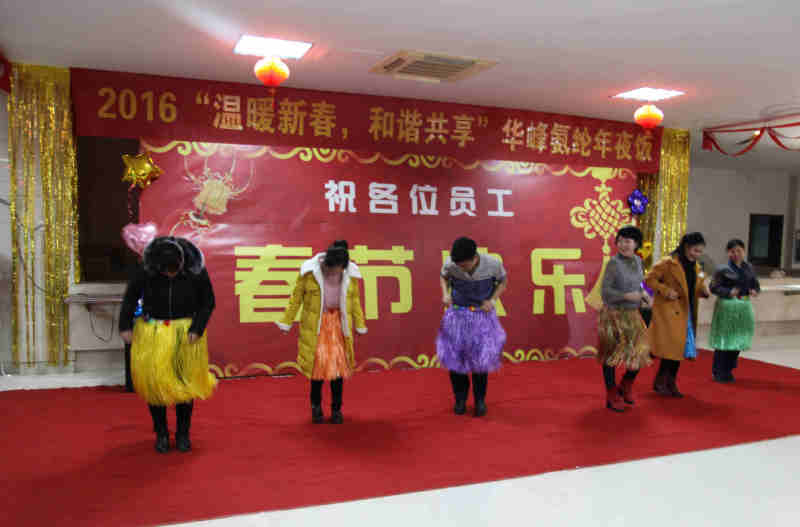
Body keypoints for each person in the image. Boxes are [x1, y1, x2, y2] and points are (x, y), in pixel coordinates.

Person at [119, 236, 217, 453]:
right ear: (157, 267)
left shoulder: (196, 269)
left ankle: (183, 433)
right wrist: (124, 326)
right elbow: (130, 298)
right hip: (154, 331)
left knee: (185, 384)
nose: (171, 275)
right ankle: (161, 433)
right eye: (166, 272)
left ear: (182, 264)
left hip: (186, 333)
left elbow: (208, 301)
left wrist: (197, 328)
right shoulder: (146, 269)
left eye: (174, 271)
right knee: (155, 386)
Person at [277, 240, 367, 424]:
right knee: (317, 371)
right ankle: (316, 408)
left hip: (339, 327)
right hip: (317, 327)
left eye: (341, 268)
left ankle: (336, 409)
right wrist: (286, 321)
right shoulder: (310, 273)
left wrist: (359, 324)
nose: (338, 271)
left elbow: (355, 302)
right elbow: (296, 299)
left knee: (338, 372)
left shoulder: (349, 275)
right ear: (328, 263)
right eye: (335, 268)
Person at [437, 237, 507, 417]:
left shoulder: (493, 264)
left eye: (464, 265)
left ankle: (479, 401)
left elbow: (503, 282)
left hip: (482, 316)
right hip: (457, 316)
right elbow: (444, 277)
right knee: (455, 360)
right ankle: (460, 399)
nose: (460, 268)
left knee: (480, 362)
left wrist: (492, 300)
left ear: (474, 258)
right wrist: (445, 294)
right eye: (458, 265)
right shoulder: (451, 263)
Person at [645, 232, 711, 397]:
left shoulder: (696, 267)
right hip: (670, 311)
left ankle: (670, 381)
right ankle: (662, 381)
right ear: (686, 247)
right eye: (695, 250)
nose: (697, 254)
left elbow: (693, 287)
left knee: (680, 349)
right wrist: (665, 290)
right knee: (672, 348)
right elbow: (649, 280)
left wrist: (702, 291)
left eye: (700, 251)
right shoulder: (668, 263)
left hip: (686, 311)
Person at [597, 226, 652, 412]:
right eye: (620, 241)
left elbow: (639, 284)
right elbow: (605, 292)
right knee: (610, 356)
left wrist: (644, 294)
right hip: (613, 314)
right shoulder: (613, 263)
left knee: (641, 352)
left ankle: (626, 384)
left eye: (627, 241)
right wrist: (627, 296)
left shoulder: (638, 261)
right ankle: (611, 394)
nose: (623, 245)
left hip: (632, 314)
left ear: (636, 244)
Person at [709, 239, 760, 382]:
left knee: (738, 339)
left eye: (739, 251)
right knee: (725, 339)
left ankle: (729, 369)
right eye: (733, 251)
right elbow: (713, 287)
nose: (736, 254)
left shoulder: (749, 267)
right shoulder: (722, 269)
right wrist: (728, 292)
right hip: (727, 307)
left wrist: (755, 290)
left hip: (743, 307)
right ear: (728, 253)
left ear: (744, 251)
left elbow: (756, 284)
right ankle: (718, 371)